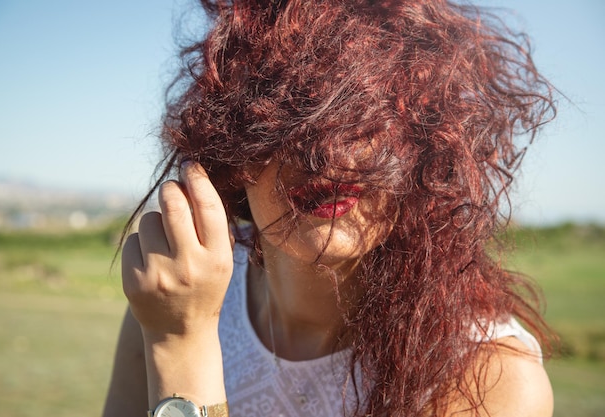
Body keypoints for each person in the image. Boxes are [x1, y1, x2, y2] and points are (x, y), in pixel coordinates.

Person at [103, 0, 558, 416]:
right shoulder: (181, 293)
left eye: (367, 117)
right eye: (288, 108)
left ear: (428, 150)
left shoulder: (491, 377)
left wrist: (182, 345)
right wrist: (181, 328)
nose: (329, 154)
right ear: (229, 143)